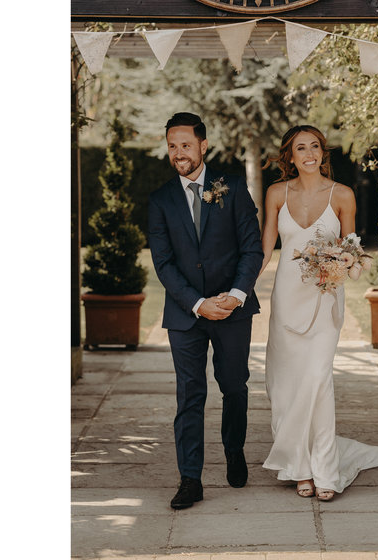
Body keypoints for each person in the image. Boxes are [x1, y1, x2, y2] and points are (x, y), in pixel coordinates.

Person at [259, 125, 378, 502]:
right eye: (300, 148)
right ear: (289, 155)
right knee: (286, 386)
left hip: (324, 301)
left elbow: (351, 249)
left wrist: (344, 263)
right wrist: (241, 291)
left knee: (318, 382)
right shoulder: (275, 193)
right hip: (287, 302)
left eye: (315, 147)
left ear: (323, 152)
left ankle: (324, 470)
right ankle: (297, 467)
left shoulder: (343, 195)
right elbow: (265, 248)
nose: (309, 154)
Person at [147, 112, 265, 510]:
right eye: (172, 146)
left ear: (203, 146)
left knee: (234, 385)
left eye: (185, 144)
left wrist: (233, 296)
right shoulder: (160, 199)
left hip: (232, 308)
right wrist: (198, 304)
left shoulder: (230, 187)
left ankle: (234, 449)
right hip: (185, 314)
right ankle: (190, 478)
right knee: (189, 395)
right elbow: (163, 263)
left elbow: (252, 248)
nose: (178, 153)